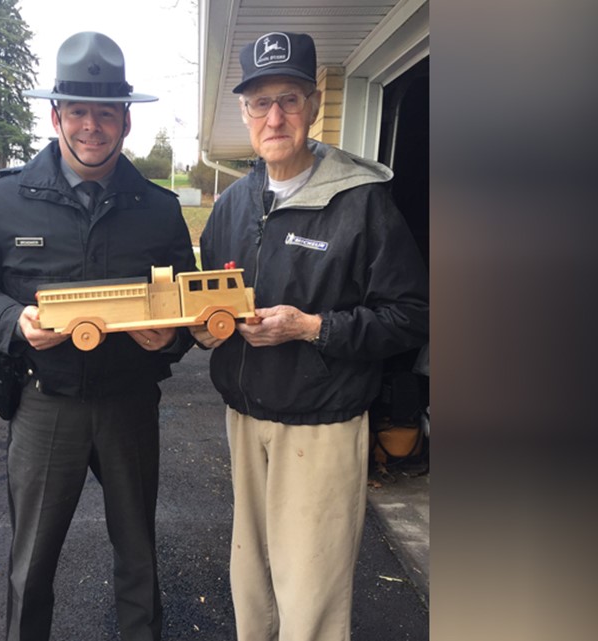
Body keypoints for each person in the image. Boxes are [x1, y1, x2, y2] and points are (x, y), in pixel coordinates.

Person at [0, 32, 195, 641]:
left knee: (139, 555)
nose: (91, 126)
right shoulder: (3, 199)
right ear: (55, 115)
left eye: (106, 112)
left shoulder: (158, 209)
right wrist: (11, 323)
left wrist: (173, 340)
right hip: (45, 406)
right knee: (32, 565)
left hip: (130, 403)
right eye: (77, 110)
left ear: (126, 120)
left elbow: (184, 298)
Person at [191, 31, 429, 640]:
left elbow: (411, 314)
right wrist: (208, 331)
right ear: (244, 113)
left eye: (289, 100)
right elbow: (213, 297)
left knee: (312, 589)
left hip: (322, 423)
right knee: (252, 577)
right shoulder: (233, 205)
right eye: (260, 102)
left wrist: (312, 328)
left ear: (312, 104)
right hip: (245, 416)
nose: (275, 117)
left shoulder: (363, 201)